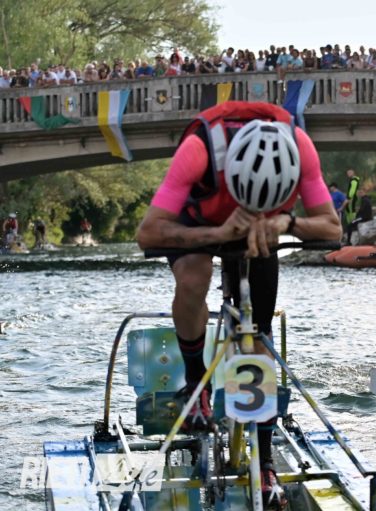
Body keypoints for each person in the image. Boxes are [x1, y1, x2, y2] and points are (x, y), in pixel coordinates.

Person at [136, 101, 341, 503]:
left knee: (258, 337)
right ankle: (196, 384)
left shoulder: (300, 147)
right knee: (194, 276)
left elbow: (332, 226)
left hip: (263, 230)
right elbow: (148, 232)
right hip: (201, 224)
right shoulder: (199, 150)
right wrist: (217, 235)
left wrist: (288, 222)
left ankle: (264, 462)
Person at [342, 168, 360, 233]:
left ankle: (353, 229)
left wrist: (348, 198)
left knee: (352, 213)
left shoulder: (354, 180)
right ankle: (350, 229)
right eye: (347, 173)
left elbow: (352, 190)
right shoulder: (352, 180)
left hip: (351, 200)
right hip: (350, 199)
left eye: (350, 172)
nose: (348, 174)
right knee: (348, 213)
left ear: (353, 172)